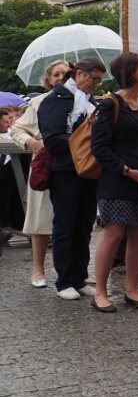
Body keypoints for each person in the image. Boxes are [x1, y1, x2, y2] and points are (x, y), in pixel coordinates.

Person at [87, 53, 138, 312]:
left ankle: (132, 289)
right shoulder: (109, 104)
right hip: (118, 180)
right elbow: (100, 148)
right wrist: (127, 171)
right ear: (130, 73)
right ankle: (100, 292)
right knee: (114, 234)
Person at [39, 57, 106, 300]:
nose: (96, 84)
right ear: (79, 74)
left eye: (100, 80)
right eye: (94, 79)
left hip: (89, 169)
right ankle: (64, 278)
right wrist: (83, 139)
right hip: (65, 170)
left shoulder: (90, 101)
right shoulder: (55, 100)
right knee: (65, 225)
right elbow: (52, 139)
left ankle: (79, 275)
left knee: (85, 224)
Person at [9, 60, 69, 287]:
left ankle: (76, 269)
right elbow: (17, 128)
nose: (61, 77)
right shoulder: (38, 102)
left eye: (65, 73)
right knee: (41, 217)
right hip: (45, 162)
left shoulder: (80, 101)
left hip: (74, 164)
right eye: (56, 74)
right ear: (49, 79)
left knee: (75, 220)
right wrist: (31, 143)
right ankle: (37, 269)